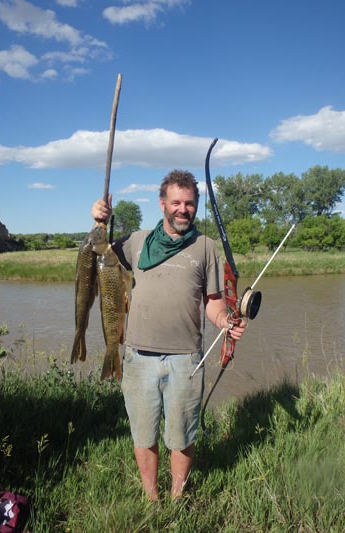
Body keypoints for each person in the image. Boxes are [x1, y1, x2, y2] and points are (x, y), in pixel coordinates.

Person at [91, 170, 246, 500]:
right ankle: (151, 496)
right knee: (143, 433)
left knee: (181, 435)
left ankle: (177, 497)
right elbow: (98, 253)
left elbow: (214, 302)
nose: (183, 209)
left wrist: (225, 322)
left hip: (186, 358)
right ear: (163, 204)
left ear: (196, 206)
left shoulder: (205, 247)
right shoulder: (137, 242)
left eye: (189, 203)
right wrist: (99, 219)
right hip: (137, 357)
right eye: (176, 202)